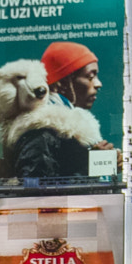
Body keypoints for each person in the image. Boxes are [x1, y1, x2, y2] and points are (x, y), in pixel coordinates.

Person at [11, 42, 115, 184]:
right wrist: (91, 167)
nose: (98, 84)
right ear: (62, 83)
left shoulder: (69, 134)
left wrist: (104, 165)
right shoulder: (40, 133)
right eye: (90, 77)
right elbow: (35, 191)